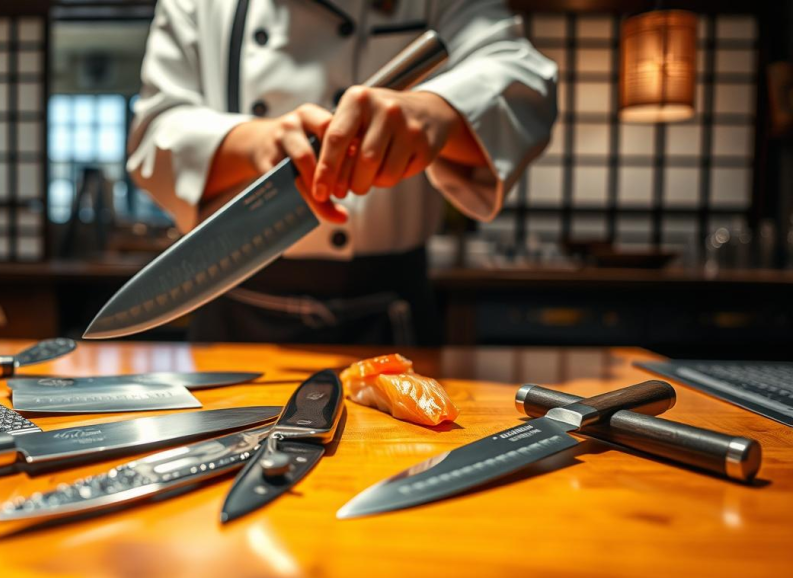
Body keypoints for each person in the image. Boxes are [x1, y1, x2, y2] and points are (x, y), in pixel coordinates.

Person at [127, 0, 558, 345]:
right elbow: (153, 135)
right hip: (231, 305)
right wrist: (257, 143)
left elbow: (521, 75)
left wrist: (436, 112)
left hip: (391, 311)